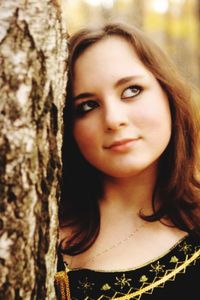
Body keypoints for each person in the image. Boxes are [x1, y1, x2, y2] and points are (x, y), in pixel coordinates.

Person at [55, 22, 200, 300]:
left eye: (131, 90)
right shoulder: (28, 221)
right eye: (88, 105)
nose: (113, 119)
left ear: (168, 95)